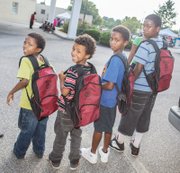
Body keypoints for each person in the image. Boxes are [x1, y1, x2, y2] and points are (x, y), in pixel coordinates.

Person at [109, 14, 163, 157]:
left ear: (157, 28)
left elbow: (138, 69)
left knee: (130, 114)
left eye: (149, 26)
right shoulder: (161, 43)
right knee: (145, 116)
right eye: (144, 25)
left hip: (140, 88)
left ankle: (119, 142)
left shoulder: (145, 45)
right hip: (153, 89)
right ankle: (136, 145)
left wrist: (127, 85)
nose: (145, 29)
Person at [81, 25, 130, 164]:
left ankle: (92, 154)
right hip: (113, 101)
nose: (113, 42)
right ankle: (105, 152)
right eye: (112, 38)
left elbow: (109, 85)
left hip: (105, 101)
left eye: (117, 40)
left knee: (98, 128)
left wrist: (94, 84)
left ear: (125, 42)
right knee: (108, 127)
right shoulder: (122, 56)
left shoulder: (115, 60)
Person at [48, 34, 96, 170]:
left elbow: (65, 92)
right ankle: (74, 161)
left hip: (66, 111)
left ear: (87, 55)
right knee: (76, 136)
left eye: (78, 51)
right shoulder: (91, 69)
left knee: (61, 136)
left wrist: (61, 79)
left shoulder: (73, 71)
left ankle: (55, 160)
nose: (74, 52)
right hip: (80, 112)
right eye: (74, 49)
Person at [6, 33, 48, 159]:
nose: (25, 46)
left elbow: (24, 81)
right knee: (40, 130)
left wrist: (11, 92)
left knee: (27, 130)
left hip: (30, 104)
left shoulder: (26, 60)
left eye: (30, 44)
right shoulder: (43, 59)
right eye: (25, 42)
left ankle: (19, 152)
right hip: (44, 103)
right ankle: (39, 151)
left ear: (38, 49)